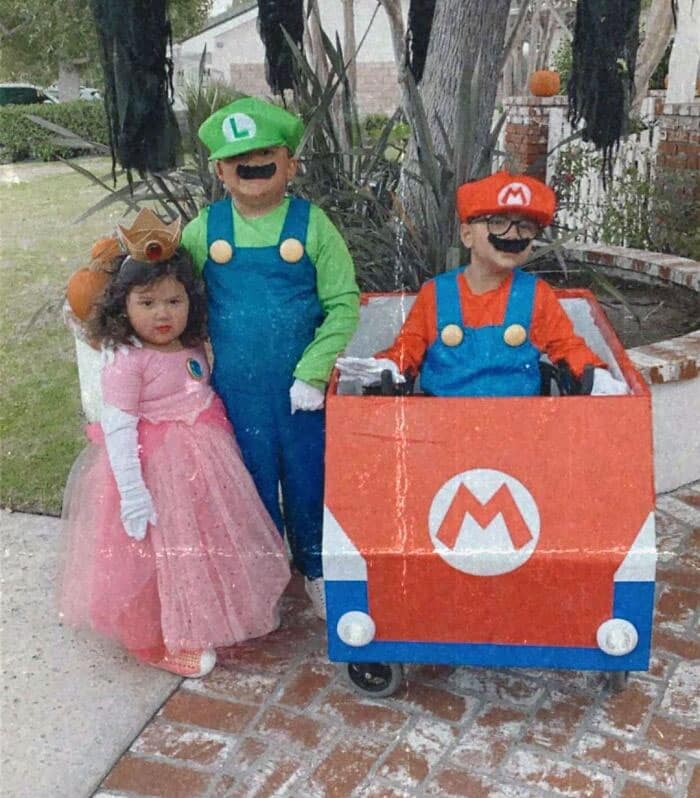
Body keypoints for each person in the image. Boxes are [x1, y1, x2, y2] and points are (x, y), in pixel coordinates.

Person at [60, 211, 291, 678]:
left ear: (190, 301)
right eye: (147, 303)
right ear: (123, 306)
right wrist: (132, 492)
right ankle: (165, 639)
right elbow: (119, 428)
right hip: (155, 472)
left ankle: (211, 612)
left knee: (205, 540)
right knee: (162, 554)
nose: (162, 314)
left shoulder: (189, 344)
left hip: (204, 461)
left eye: (173, 300)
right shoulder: (128, 360)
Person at [181, 97, 360, 618]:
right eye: (239, 158)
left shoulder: (312, 225)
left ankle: (316, 570)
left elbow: (343, 303)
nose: (253, 165)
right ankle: (262, 580)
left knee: (309, 481)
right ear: (219, 171)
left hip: (301, 394)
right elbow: (173, 295)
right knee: (249, 486)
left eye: (265, 154)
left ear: (290, 164)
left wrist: (314, 371)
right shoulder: (203, 230)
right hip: (236, 393)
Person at [337, 171, 628, 397]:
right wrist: (389, 365)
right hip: (439, 425)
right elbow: (409, 347)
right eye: (498, 222)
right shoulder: (436, 294)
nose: (512, 235)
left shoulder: (536, 295)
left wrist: (596, 374)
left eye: (525, 225)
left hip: (522, 426)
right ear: (467, 235)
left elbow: (567, 346)